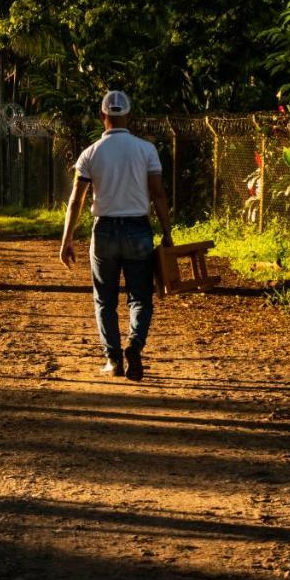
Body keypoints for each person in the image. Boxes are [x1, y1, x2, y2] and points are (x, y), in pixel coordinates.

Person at [58, 90, 172, 381]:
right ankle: (134, 345)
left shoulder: (91, 153)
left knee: (105, 300)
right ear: (129, 117)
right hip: (138, 229)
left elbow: (76, 200)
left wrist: (66, 240)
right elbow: (158, 194)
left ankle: (113, 359)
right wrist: (168, 232)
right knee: (140, 297)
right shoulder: (146, 150)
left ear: (102, 116)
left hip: (105, 230)